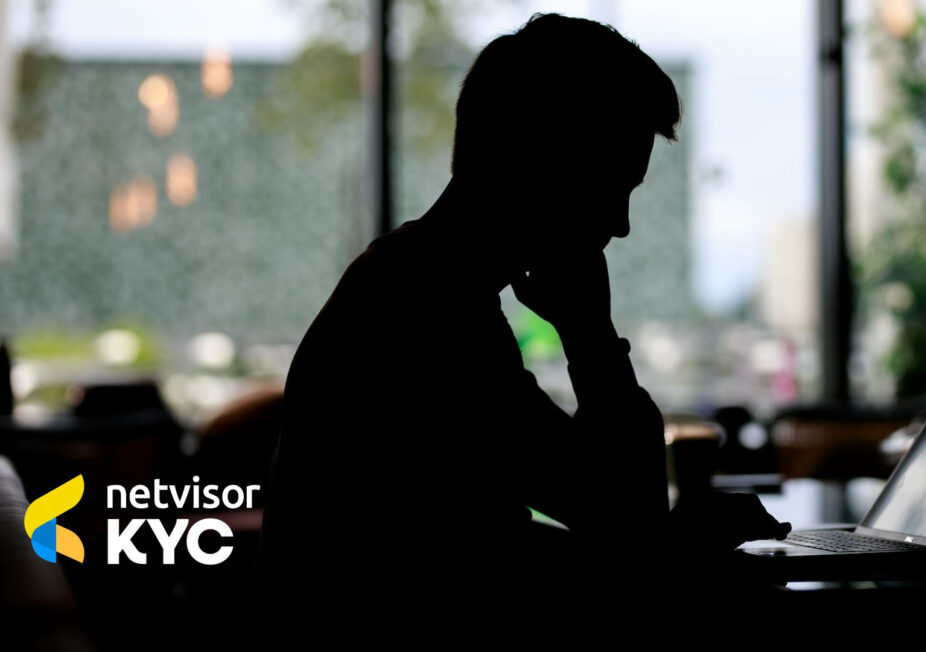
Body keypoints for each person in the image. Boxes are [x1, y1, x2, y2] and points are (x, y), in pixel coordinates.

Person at [252, 12, 790, 630]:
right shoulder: (428, 312)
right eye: (612, 185)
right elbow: (620, 518)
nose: (620, 224)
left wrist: (659, 543)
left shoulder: (414, 285)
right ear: (545, 163)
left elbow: (536, 539)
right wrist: (590, 334)